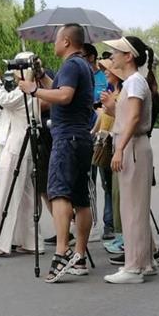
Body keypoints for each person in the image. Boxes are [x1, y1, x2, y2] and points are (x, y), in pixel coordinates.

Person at [19, 23, 94, 282]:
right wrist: (42, 78)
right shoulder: (82, 65)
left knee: (59, 193)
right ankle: (79, 256)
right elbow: (60, 89)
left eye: (56, 39)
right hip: (81, 137)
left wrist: (33, 89)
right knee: (81, 199)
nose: (53, 43)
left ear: (66, 41)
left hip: (66, 138)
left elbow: (64, 96)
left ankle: (62, 251)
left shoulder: (71, 65)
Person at [0, 53, 42, 257]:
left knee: (2, 191)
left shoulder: (25, 90)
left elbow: (6, 100)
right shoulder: (33, 89)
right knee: (25, 194)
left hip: (17, 144)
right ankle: (29, 241)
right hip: (24, 142)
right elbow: (8, 109)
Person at [101, 36, 157, 283]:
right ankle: (145, 262)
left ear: (129, 56)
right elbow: (128, 115)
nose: (112, 56)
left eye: (116, 51)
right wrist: (112, 107)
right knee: (136, 207)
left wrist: (119, 149)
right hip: (134, 145)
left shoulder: (134, 83)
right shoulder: (134, 82)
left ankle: (133, 267)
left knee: (132, 209)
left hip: (132, 146)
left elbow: (134, 119)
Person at [83, 43, 113, 241]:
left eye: (84, 56)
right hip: (85, 129)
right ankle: (88, 224)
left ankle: (109, 223)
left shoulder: (104, 77)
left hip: (103, 131)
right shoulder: (79, 75)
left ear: (92, 57)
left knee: (106, 181)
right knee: (88, 180)